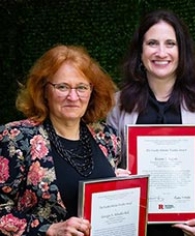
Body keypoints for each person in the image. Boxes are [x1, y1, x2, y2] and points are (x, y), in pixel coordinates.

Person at [106, 9, 195, 236]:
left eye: (170, 43)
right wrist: (114, 173)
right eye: (152, 43)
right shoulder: (117, 103)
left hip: (190, 228)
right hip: (133, 226)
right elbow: (109, 164)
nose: (161, 52)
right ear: (140, 52)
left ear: (182, 51)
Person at [0, 45, 122, 235]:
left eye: (81, 87)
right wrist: (48, 230)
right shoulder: (16, 138)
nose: (73, 97)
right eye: (62, 87)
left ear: (92, 92)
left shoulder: (108, 137)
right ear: (44, 91)